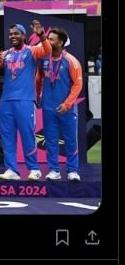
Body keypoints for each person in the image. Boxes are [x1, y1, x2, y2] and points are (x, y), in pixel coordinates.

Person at [0, 20, 51, 180]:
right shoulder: (6, 54)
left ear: (24, 35)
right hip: (6, 101)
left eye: (16, 33)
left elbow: (47, 50)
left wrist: (41, 35)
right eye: (10, 34)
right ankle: (12, 170)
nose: (13, 36)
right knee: (7, 137)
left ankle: (34, 168)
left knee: (27, 135)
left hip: (25, 100)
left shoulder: (32, 51)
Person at [36, 28, 83, 181]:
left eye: (51, 39)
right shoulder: (44, 59)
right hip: (48, 108)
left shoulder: (71, 61)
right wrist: (37, 96)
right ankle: (54, 170)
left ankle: (72, 171)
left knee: (70, 140)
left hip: (67, 109)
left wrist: (67, 104)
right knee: (50, 141)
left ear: (61, 42)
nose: (47, 41)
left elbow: (77, 85)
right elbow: (38, 79)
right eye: (47, 38)